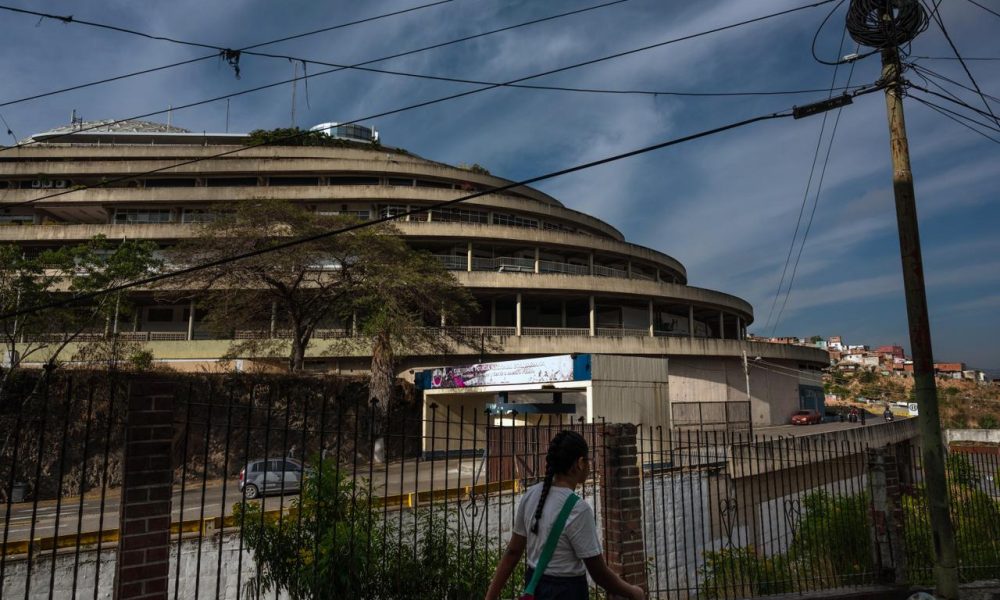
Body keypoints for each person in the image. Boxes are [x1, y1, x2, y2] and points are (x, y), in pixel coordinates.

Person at [485, 430, 645, 600]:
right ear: (580, 463)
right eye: (588, 460)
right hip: (567, 591)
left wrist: (490, 597)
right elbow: (599, 573)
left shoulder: (531, 495)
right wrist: (633, 592)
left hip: (534, 586)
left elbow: (512, 552)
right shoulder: (578, 510)